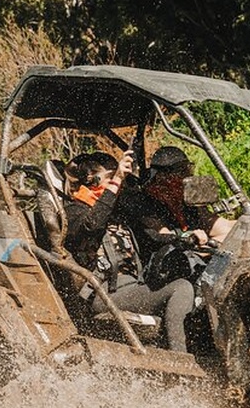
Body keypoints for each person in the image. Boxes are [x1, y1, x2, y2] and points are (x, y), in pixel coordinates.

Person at [63, 151, 194, 352]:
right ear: (93, 181)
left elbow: (153, 236)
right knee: (181, 288)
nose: (119, 184)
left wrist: (185, 238)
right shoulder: (74, 211)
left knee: (192, 277)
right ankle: (181, 361)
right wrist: (116, 181)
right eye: (112, 178)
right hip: (105, 294)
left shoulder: (119, 212)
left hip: (133, 288)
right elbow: (91, 226)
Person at [141, 145, 234, 249]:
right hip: (169, 256)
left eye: (188, 169)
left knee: (233, 236)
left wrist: (246, 224)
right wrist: (188, 237)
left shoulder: (187, 196)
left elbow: (213, 223)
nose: (188, 175)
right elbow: (164, 237)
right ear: (162, 177)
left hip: (195, 251)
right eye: (182, 171)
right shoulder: (147, 202)